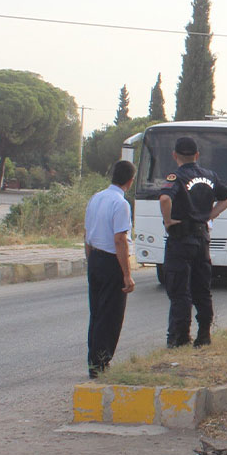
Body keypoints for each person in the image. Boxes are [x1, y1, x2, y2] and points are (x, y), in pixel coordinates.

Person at [160, 136, 227, 348]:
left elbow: (165, 198)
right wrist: (210, 215)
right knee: (202, 289)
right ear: (197, 155)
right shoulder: (209, 175)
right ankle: (204, 335)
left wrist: (167, 221)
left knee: (179, 290)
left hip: (180, 239)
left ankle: (180, 337)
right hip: (202, 239)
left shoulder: (177, 176)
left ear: (175, 156)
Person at [84, 160, 136, 379]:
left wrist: (90, 259)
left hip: (95, 257)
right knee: (111, 315)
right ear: (130, 181)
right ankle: (101, 362)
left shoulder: (96, 198)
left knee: (96, 312)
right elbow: (120, 239)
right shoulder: (120, 204)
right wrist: (127, 274)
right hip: (111, 261)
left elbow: (86, 233)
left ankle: (93, 359)